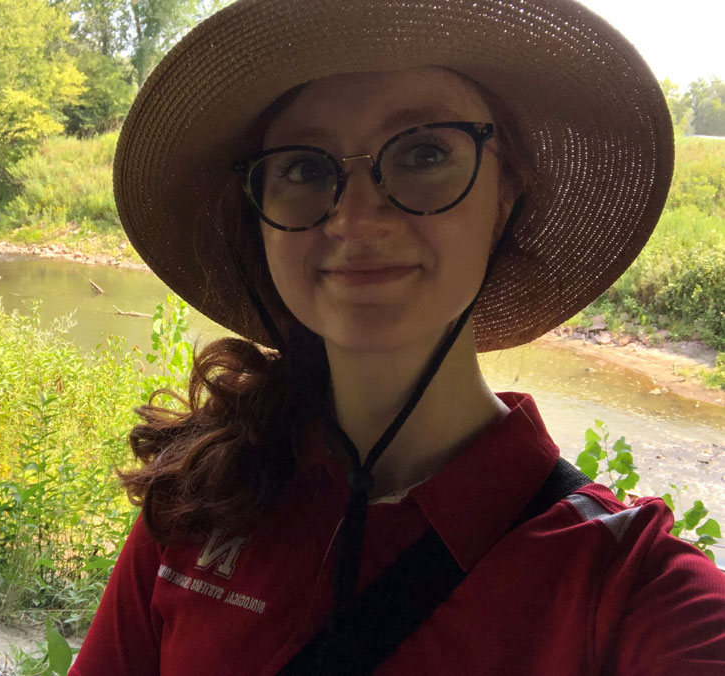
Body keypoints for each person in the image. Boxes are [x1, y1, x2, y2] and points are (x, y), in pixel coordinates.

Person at [70, 0, 725, 673]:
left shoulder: (625, 583)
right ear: (258, 218)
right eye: (304, 167)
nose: (357, 219)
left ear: (506, 198)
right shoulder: (208, 492)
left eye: (423, 152)